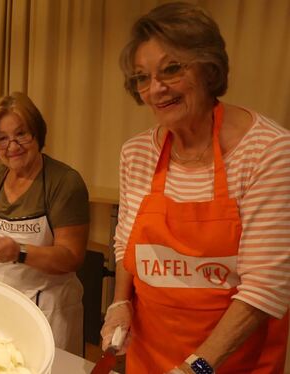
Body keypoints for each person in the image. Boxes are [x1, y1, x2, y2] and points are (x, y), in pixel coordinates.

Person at [100, 3, 290, 373]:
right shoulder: (137, 153)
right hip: (150, 356)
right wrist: (119, 303)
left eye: (172, 69)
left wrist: (196, 368)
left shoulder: (268, 151)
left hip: (231, 362)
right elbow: (127, 245)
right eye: (142, 77)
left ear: (208, 68)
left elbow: (265, 289)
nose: (156, 89)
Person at [0, 92, 90, 355]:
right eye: (2, 138)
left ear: (37, 133)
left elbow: (71, 257)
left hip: (46, 312)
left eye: (21, 134)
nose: (12, 146)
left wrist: (19, 252)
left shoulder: (64, 182)